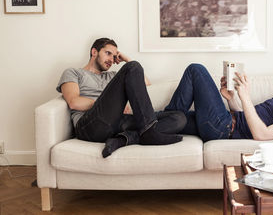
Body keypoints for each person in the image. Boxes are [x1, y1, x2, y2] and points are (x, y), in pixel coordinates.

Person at [57, 38, 185, 158]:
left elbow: (146, 84)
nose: (111, 60)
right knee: (133, 66)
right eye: (108, 53)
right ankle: (148, 133)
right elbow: (74, 102)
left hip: (116, 124)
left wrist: (127, 60)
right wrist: (113, 106)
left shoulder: (112, 76)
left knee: (179, 118)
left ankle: (126, 138)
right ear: (94, 52)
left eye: (114, 57)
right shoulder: (74, 73)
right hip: (89, 126)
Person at [165, 63, 273, 142]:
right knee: (164, 120)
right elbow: (249, 117)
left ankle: (168, 117)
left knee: (196, 70)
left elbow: (262, 134)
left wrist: (245, 96)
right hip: (224, 120)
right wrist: (231, 98)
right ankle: (147, 129)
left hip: (222, 128)